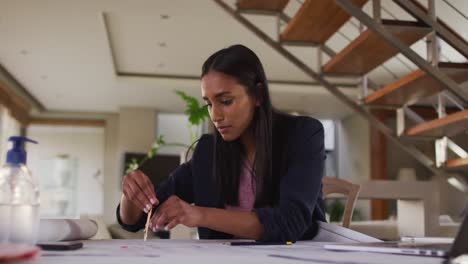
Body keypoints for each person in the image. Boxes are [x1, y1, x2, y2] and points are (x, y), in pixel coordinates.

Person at [117, 44, 326, 242]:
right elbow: (136, 220)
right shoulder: (209, 152)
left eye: (225, 101)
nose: (215, 116)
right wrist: (131, 194)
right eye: (209, 104)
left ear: (258, 95)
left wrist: (200, 215)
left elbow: (289, 223)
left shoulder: (302, 135)